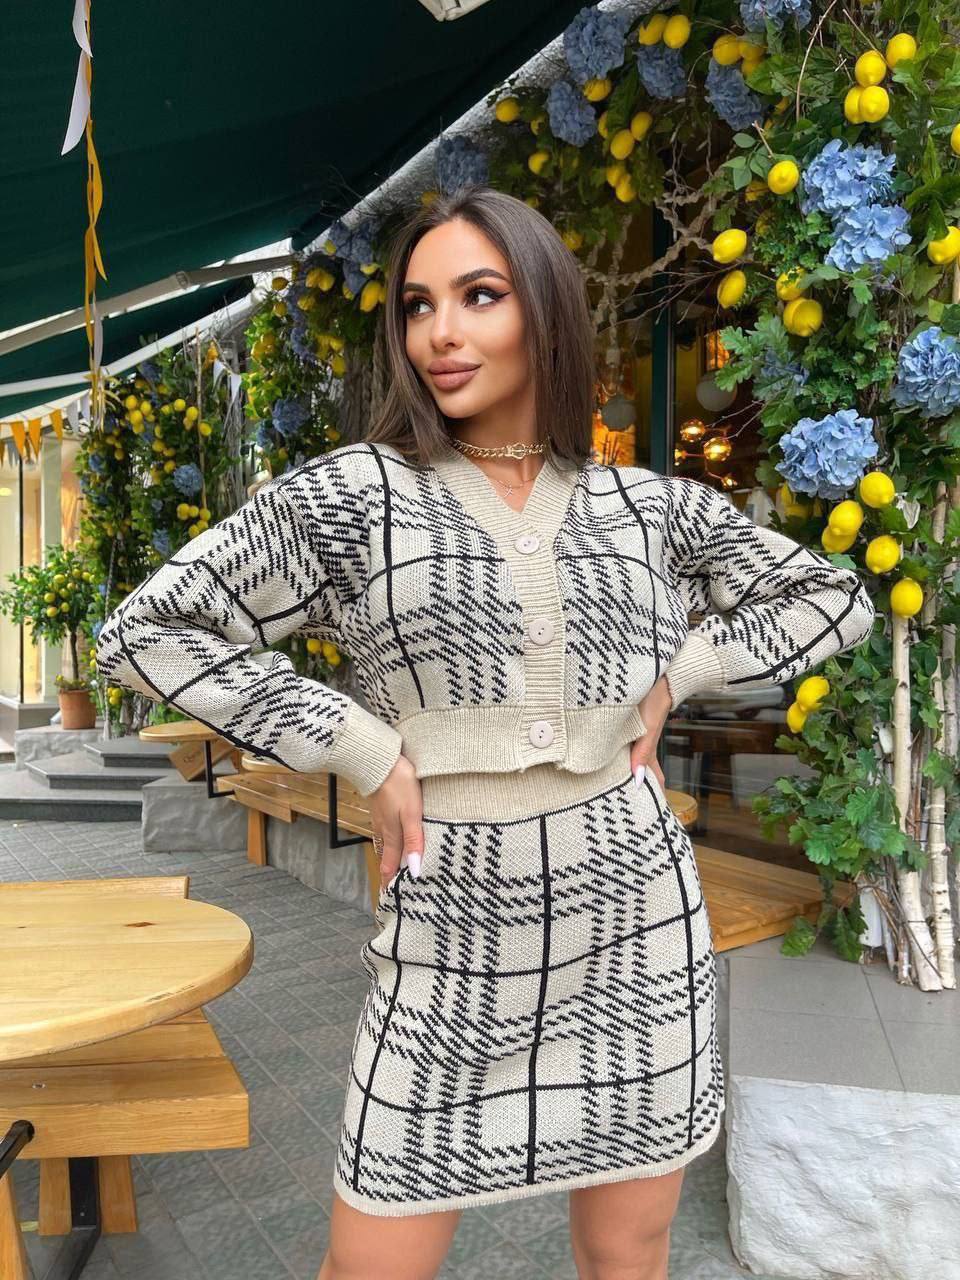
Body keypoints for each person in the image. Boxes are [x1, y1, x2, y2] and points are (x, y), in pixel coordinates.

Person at [96, 186, 877, 1280]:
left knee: (630, 1245)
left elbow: (832, 598)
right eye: (418, 305)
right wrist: (358, 744)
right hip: (453, 916)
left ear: (544, 309)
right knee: (373, 1255)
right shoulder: (357, 494)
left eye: (478, 295)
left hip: (634, 907)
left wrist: (673, 678)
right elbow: (145, 630)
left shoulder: (645, 505)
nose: (441, 333)